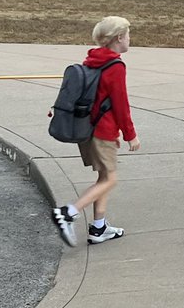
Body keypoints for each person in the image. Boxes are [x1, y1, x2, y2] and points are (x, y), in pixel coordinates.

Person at [50, 16, 140, 247]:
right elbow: (121, 104)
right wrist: (130, 135)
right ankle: (68, 213)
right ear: (119, 38)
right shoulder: (116, 66)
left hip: (88, 128)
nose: (130, 39)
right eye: (128, 35)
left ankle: (99, 228)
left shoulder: (93, 60)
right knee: (110, 179)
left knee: (103, 176)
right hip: (104, 130)